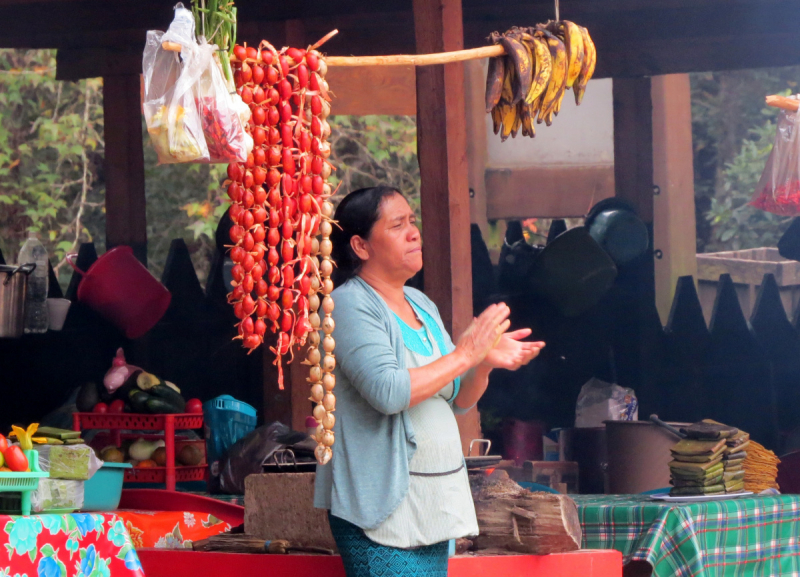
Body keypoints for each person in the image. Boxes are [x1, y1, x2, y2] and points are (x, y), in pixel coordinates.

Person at [314, 186, 544, 577]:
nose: (414, 232)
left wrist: (482, 364)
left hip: (432, 504)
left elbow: (458, 398)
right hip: (382, 510)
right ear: (361, 246)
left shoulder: (422, 304)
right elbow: (389, 392)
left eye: (413, 221)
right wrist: (464, 355)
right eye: (398, 225)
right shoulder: (349, 305)